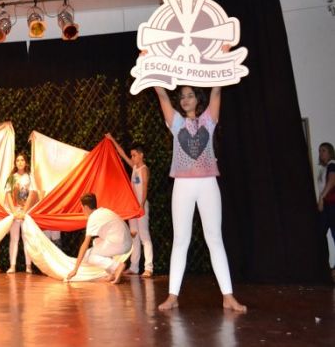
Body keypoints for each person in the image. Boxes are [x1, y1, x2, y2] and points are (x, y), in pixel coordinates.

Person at [153, 84, 246, 312]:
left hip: (208, 184)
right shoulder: (176, 122)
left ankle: (228, 296)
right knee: (180, 240)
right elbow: (162, 94)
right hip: (183, 185)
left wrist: (221, 65)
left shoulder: (208, 120)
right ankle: (173, 296)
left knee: (214, 238)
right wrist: (151, 70)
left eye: (190, 95)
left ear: (197, 99)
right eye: (182, 97)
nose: (185, 100)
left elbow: (217, 91)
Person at [106, 134, 154, 278]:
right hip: (133, 208)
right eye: (131, 155)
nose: (132, 158)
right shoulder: (134, 167)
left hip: (140, 207)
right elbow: (121, 153)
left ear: (141, 155)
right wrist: (112, 139)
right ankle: (134, 267)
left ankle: (149, 268)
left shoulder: (144, 169)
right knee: (134, 236)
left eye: (134, 155)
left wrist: (141, 205)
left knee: (144, 236)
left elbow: (144, 188)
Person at [67, 193, 132, 284]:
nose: (82, 210)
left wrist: (75, 269)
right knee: (96, 241)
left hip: (120, 243)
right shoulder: (103, 211)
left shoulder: (93, 218)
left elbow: (85, 244)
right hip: (126, 242)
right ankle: (111, 273)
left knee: (88, 255)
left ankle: (117, 267)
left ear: (85, 207)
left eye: (82, 207)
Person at [4, 153, 38, 274]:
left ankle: (28, 266)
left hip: (26, 212)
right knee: (14, 238)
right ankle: (12, 266)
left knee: (26, 238)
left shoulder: (30, 177)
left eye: (22, 160)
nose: (20, 162)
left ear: (26, 162)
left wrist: (24, 211)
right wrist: (14, 212)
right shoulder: (11, 178)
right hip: (14, 212)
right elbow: (8, 194)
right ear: (15, 163)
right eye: (17, 160)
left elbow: (32, 194)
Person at [316, 142, 335, 280]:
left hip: (332, 204)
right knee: (320, 233)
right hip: (327, 205)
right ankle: (324, 266)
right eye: (319, 151)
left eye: (323, 150)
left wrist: (322, 198)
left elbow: (332, 181)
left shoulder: (332, 165)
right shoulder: (324, 168)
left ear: (330, 152)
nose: (321, 153)